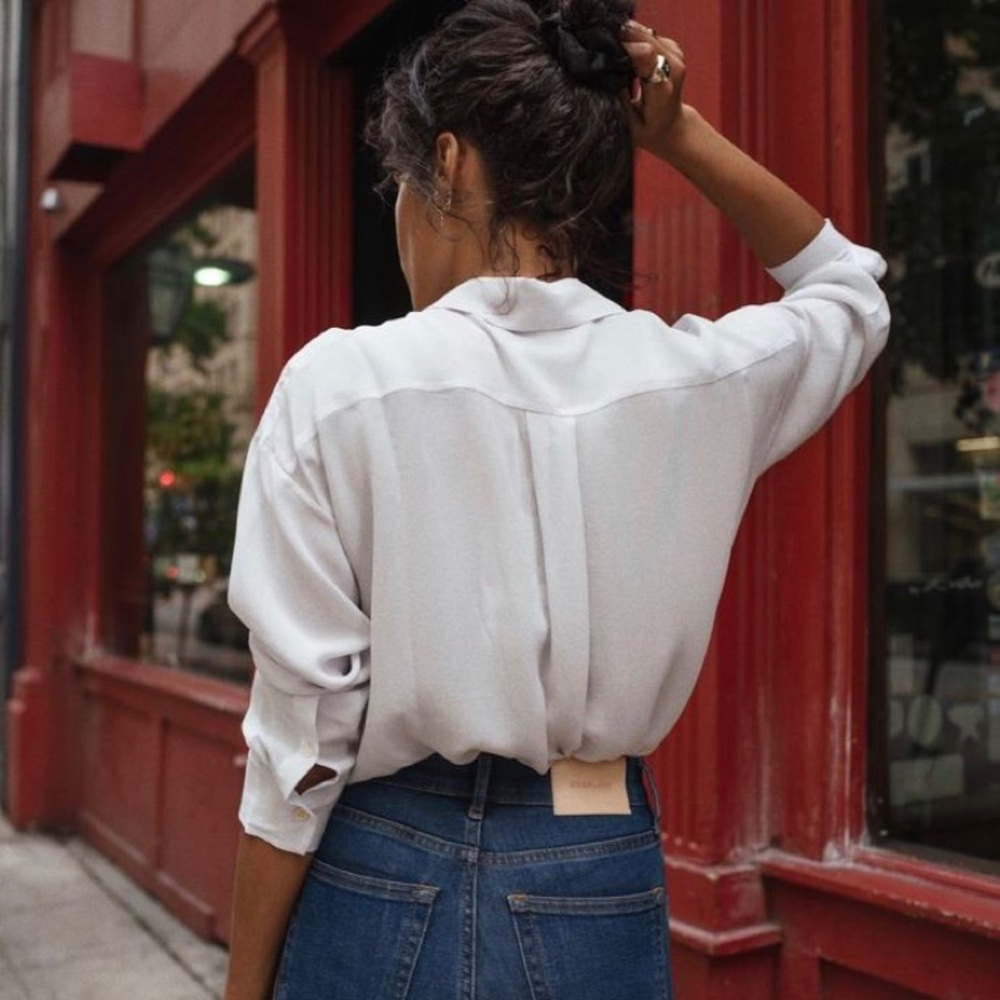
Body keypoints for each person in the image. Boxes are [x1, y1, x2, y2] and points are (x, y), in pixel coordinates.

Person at [223, 1, 890, 997]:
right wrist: (679, 136)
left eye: (401, 185)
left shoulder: (337, 386)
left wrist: (244, 984)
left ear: (445, 163)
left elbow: (299, 752)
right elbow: (849, 291)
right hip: (593, 849)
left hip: (382, 856)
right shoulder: (691, 376)